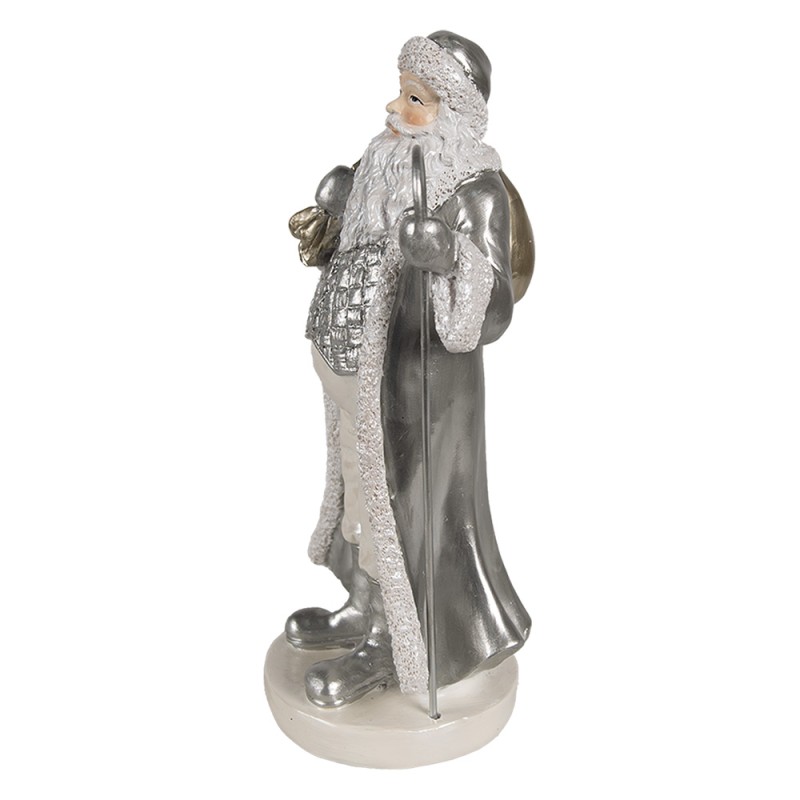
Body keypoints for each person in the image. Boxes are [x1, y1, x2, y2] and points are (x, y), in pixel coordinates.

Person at [286, 30, 531, 708]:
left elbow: (493, 307)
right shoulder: (386, 163)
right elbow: (357, 254)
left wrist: (447, 256)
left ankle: (395, 643)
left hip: (416, 389)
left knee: (404, 509)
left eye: (416, 98)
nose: (395, 108)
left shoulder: (475, 190)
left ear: (453, 113)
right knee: (359, 498)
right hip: (356, 381)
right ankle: (366, 608)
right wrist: (335, 215)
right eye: (400, 92)